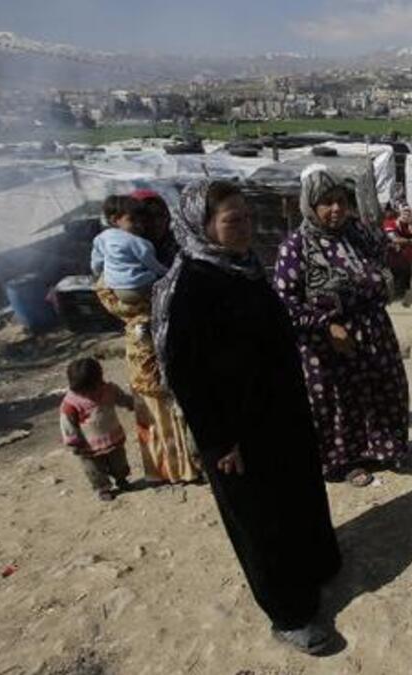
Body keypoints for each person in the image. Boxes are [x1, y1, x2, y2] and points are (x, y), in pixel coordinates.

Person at [152, 179, 342, 654]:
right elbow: (186, 376)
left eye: (246, 218)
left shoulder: (243, 267)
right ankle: (289, 615)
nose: (244, 228)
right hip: (236, 432)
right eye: (232, 221)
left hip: (280, 413)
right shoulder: (192, 286)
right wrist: (219, 442)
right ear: (203, 225)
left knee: (296, 495)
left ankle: (314, 567)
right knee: (260, 519)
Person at [274, 165, 410, 487]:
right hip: (327, 342)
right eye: (327, 202)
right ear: (310, 205)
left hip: (373, 329)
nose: (336, 209)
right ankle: (345, 461)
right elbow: (284, 303)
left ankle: (382, 449)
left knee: (383, 388)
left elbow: (382, 251)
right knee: (339, 400)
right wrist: (326, 325)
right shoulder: (296, 247)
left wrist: (390, 240)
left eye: (341, 201)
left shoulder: (357, 234)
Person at [95, 190, 200, 486]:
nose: (151, 223)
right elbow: (107, 294)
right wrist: (140, 313)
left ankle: (194, 464)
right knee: (154, 403)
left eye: (158, 215)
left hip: (180, 336)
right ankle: (165, 469)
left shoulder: (181, 248)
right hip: (143, 342)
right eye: (143, 216)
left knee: (185, 400)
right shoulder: (118, 253)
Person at [59, 357, 133, 502]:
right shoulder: (71, 402)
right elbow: (67, 423)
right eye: (84, 390)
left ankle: (122, 480)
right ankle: (103, 488)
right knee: (94, 470)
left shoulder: (109, 389)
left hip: (113, 437)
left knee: (119, 462)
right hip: (88, 446)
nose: (89, 392)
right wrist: (74, 441)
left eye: (92, 387)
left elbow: (121, 398)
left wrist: (132, 404)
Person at [91, 195, 168, 303]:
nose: (138, 224)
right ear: (114, 220)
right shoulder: (138, 242)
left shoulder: (103, 237)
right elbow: (151, 264)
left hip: (116, 288)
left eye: (140, 221)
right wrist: (167, 272)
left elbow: (97, 260)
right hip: (138, 288)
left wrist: (97, 274)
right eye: (132, 220)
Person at [382, 205, 412, 300]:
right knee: (398, 278)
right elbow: (394, 239)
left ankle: (405, 296)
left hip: (407, 257)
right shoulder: (389, 224)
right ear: (399, 213)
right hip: (395, 258)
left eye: (408, 213)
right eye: (404, 212)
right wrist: (410, 241)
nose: (406, 215)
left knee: (406, 277)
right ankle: (399, 298)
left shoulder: (409, 225)